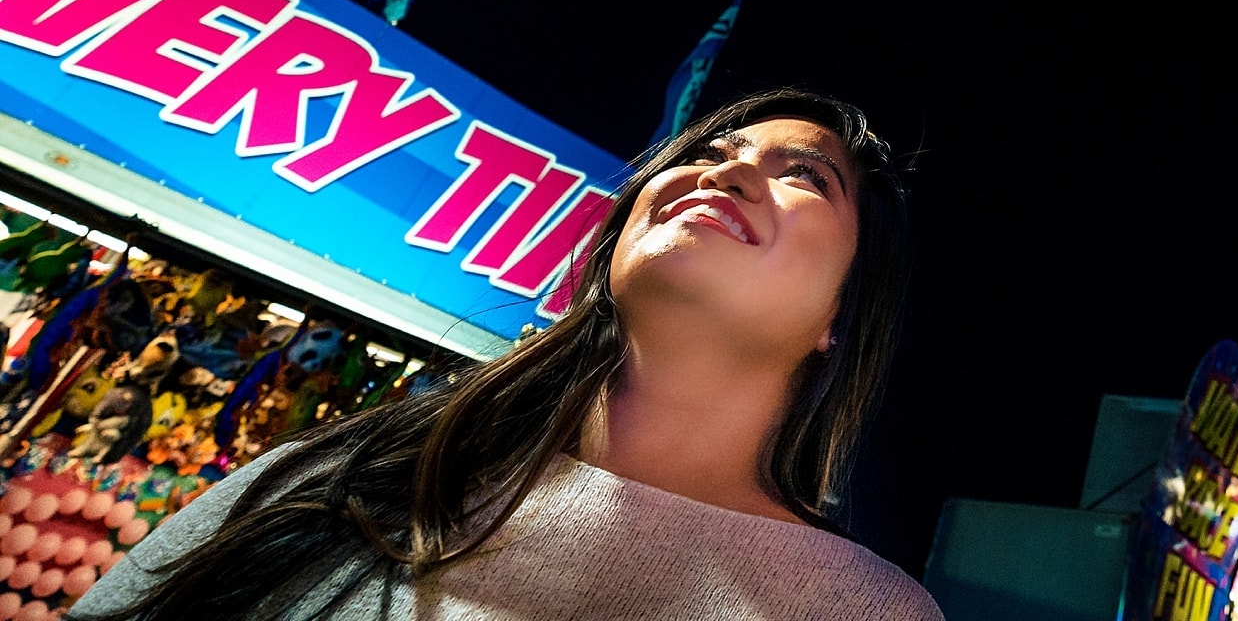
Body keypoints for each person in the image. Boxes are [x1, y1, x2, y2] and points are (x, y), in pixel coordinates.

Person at [77, 89, 941, 621]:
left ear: (843, 316)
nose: (722, 173)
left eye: (803, 174)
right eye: (710, 152)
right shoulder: (350, 474)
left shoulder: (861, 610)